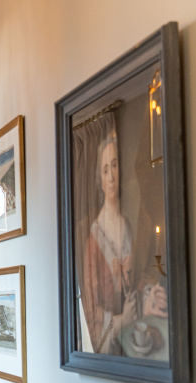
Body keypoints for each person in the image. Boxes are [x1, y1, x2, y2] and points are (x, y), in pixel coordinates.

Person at [81, 132, 137, 355]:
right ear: (100, 180)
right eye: (105, 170)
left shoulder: (128, 226)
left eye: (114, 166)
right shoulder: (94, 239)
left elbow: (137, 277)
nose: (112, 177)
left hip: (134, 337)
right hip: (111, 346)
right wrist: (120, 320)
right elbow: (90, 308)